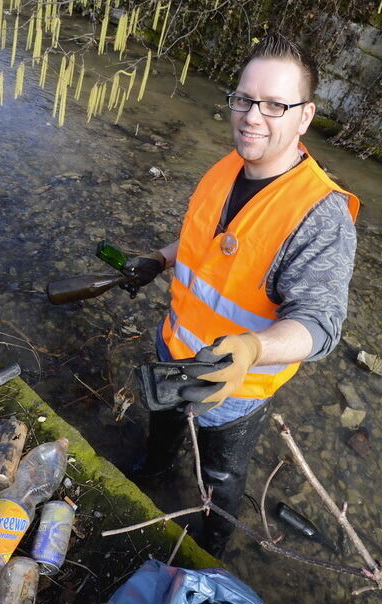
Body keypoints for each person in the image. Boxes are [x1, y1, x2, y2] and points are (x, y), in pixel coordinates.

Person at [125, 33, 360, 557]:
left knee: (220, 475)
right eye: (245, 99)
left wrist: (252, 349)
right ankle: (154, 469)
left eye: (276, 104)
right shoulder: (226, 168)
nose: (253, 116)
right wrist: (161, 259)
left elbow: (319, 324)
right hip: (175, 349)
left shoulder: (321, 215)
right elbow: (205, 246)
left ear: (305, 116)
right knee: (161, 427)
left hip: (234, 386)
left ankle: (211, 544)